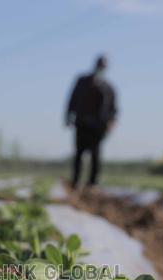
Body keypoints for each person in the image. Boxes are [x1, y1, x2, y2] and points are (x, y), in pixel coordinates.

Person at [66, 55, 118, 189]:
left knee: (95, 154)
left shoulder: (108, 87)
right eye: (100, 65)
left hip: (98, 127)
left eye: (104, 66)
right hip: (82, 123)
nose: (101, 68)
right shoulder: (82, 81)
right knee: (79, 153)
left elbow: (113, 108)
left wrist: (111, 122)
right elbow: (72, 98)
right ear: (95, 65)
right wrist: (68, 116)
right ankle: (76, 181)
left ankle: (92, 183)